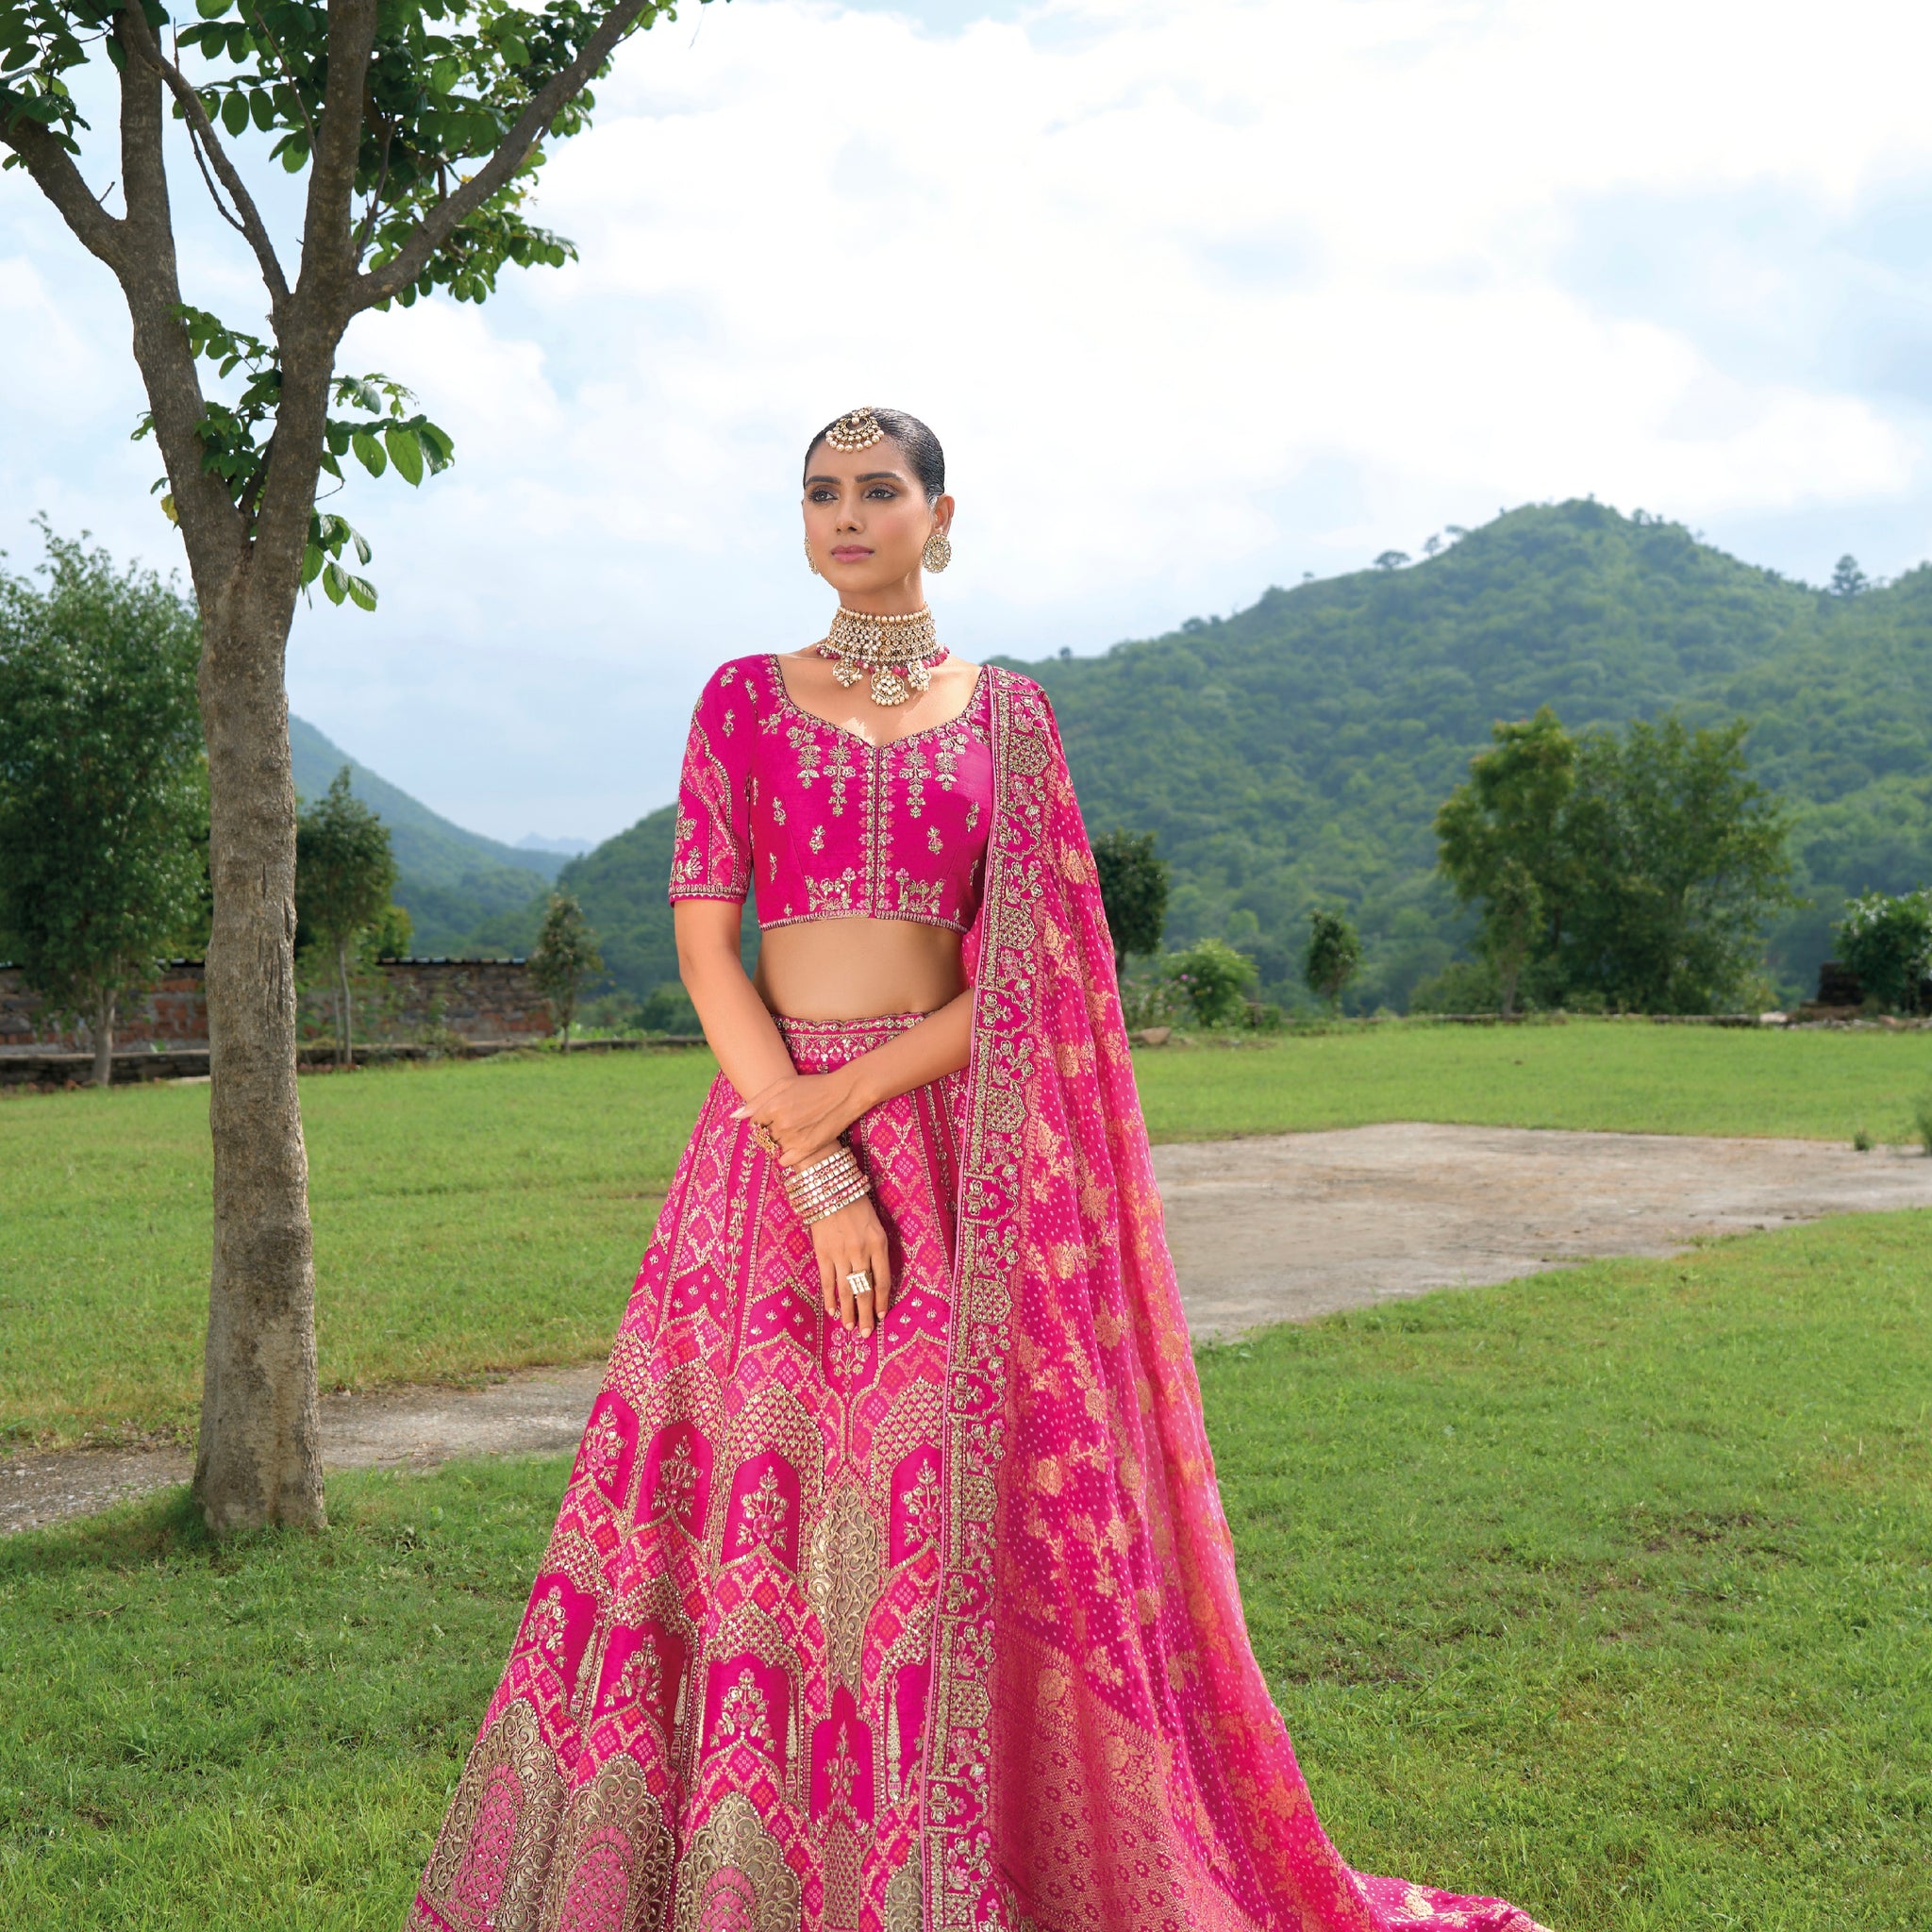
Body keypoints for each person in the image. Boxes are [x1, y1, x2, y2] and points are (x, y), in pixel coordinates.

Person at [409, 408, 1549, 1932]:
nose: (845, 514)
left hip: (951, 1163)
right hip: (760, 1167)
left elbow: (1034, 978)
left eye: (879, 490)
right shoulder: (742, 700)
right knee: (750, 1517)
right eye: (820, 492)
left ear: (944, 518)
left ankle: (943, 1867)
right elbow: (704, 945)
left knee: (935, 1515)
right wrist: (812, 1165)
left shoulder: (1008, 720)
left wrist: (857, 1101)